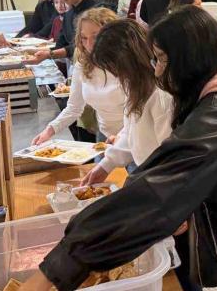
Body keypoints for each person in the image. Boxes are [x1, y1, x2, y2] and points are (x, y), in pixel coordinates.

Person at [20, 7, 217, 291]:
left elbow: (154, 193)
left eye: (160, 59)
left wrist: (58, 266)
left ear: (188, 60)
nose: (156, 69)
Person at [78, 19, 198, 291]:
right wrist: (106, 165)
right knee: (169, 261)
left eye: (116, 69)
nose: (116, 76)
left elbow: (174, 157)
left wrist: (179, 207)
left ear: (130, 60)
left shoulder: (162, 94)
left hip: (169, 192)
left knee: (183, 269)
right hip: (153, 188)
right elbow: (130, 133)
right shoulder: (136, 87)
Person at [32, 8, 125, 146]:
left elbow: (139, 114)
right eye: (84, 38)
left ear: (112, 35)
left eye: (96, 36)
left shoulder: (128, 64)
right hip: (104, 135)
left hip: (134, 136)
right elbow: (74, 107)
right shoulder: (83, 65)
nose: (89, 44)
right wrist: (49, 130)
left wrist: (122, 138)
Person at [30, 0, 96, 63]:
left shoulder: (97, 12)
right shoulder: (68, 15)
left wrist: (49, 54)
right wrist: (35, 52)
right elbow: (60, 45)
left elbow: (84, 46)